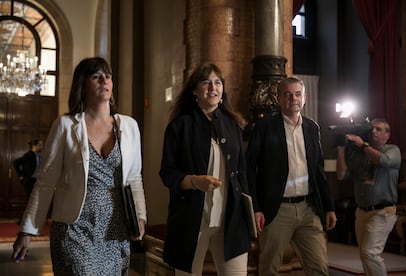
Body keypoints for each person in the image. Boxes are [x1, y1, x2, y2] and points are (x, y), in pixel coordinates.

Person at [11, 57, 147, 275]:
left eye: (108, 76)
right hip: (74, 228)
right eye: (96, 76)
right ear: (82, 86)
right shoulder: (66, 126)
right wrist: (27, 231)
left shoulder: (129, 127)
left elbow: (134, 178)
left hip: (115, 229)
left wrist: (139, 216)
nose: (104, 80)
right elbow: (45, 182)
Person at [159, 63, 251, 275]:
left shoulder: (234, 124)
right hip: (192, 220)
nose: (213, 87)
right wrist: (193, 181)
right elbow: (167, 173)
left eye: (218, 82)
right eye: (206, 82)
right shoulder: (179, 126)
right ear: (194, 91)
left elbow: (242, 174)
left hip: (231, 220)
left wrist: (250, 210)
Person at [246, 76, 337, 275]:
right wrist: (256, 207)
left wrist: (329, 207)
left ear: (304, 98)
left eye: (297, 94)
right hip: (276, 210)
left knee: (319, 267)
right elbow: (249, 168)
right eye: (287, 94)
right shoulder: (264, 127)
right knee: (269, 268)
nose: (293, 98)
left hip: (308, 209)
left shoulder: (312, 128)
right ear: (279, 99)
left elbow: (318, 171)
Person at [336, 118, 401, 276]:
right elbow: (341, 175)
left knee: (369, 253)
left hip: (382, 211)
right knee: (364, 255)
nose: (373, 131)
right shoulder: (359, 154)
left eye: (379, 129)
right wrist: (340, 149)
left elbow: (383, 161)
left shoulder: (392, 150)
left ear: (387, 134)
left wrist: (363, 145)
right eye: (372, 128)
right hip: (362, 211)